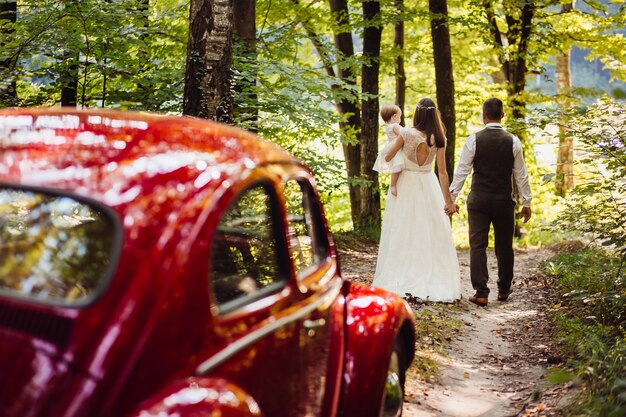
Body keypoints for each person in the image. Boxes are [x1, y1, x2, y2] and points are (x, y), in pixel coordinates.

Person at [373, 98, 461, 302]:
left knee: (403, 229)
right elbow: (443, 172)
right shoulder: (439, 138)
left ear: (417, 114)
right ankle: (430, 274)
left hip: (406, 184)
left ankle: (403, 273)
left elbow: (388, 158)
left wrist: (398, 153)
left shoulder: (406, 134)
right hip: (428, 183)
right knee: (429, 231)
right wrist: (448, 201)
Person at [449, 97, 532, 307]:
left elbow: (462, 172)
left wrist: (451, 198)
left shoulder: (473, 139)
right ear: (502, 116)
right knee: (504, 246)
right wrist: (526, 202)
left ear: (483, 116)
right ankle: (504, 289)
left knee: (477, 245)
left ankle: (481, 292)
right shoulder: (513, 141)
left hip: (478, 199)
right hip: (503, 200)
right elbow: (521, 175)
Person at [373, 104, 405, 196]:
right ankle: (393, 185)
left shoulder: (388, 126)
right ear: (395, 116)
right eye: (400, 116)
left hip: (391, 147)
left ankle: (394, 184)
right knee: (397, 168)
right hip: (396, 149)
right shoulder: (395, 126)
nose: (400, 119)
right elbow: (403, 136)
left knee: (396, 168)